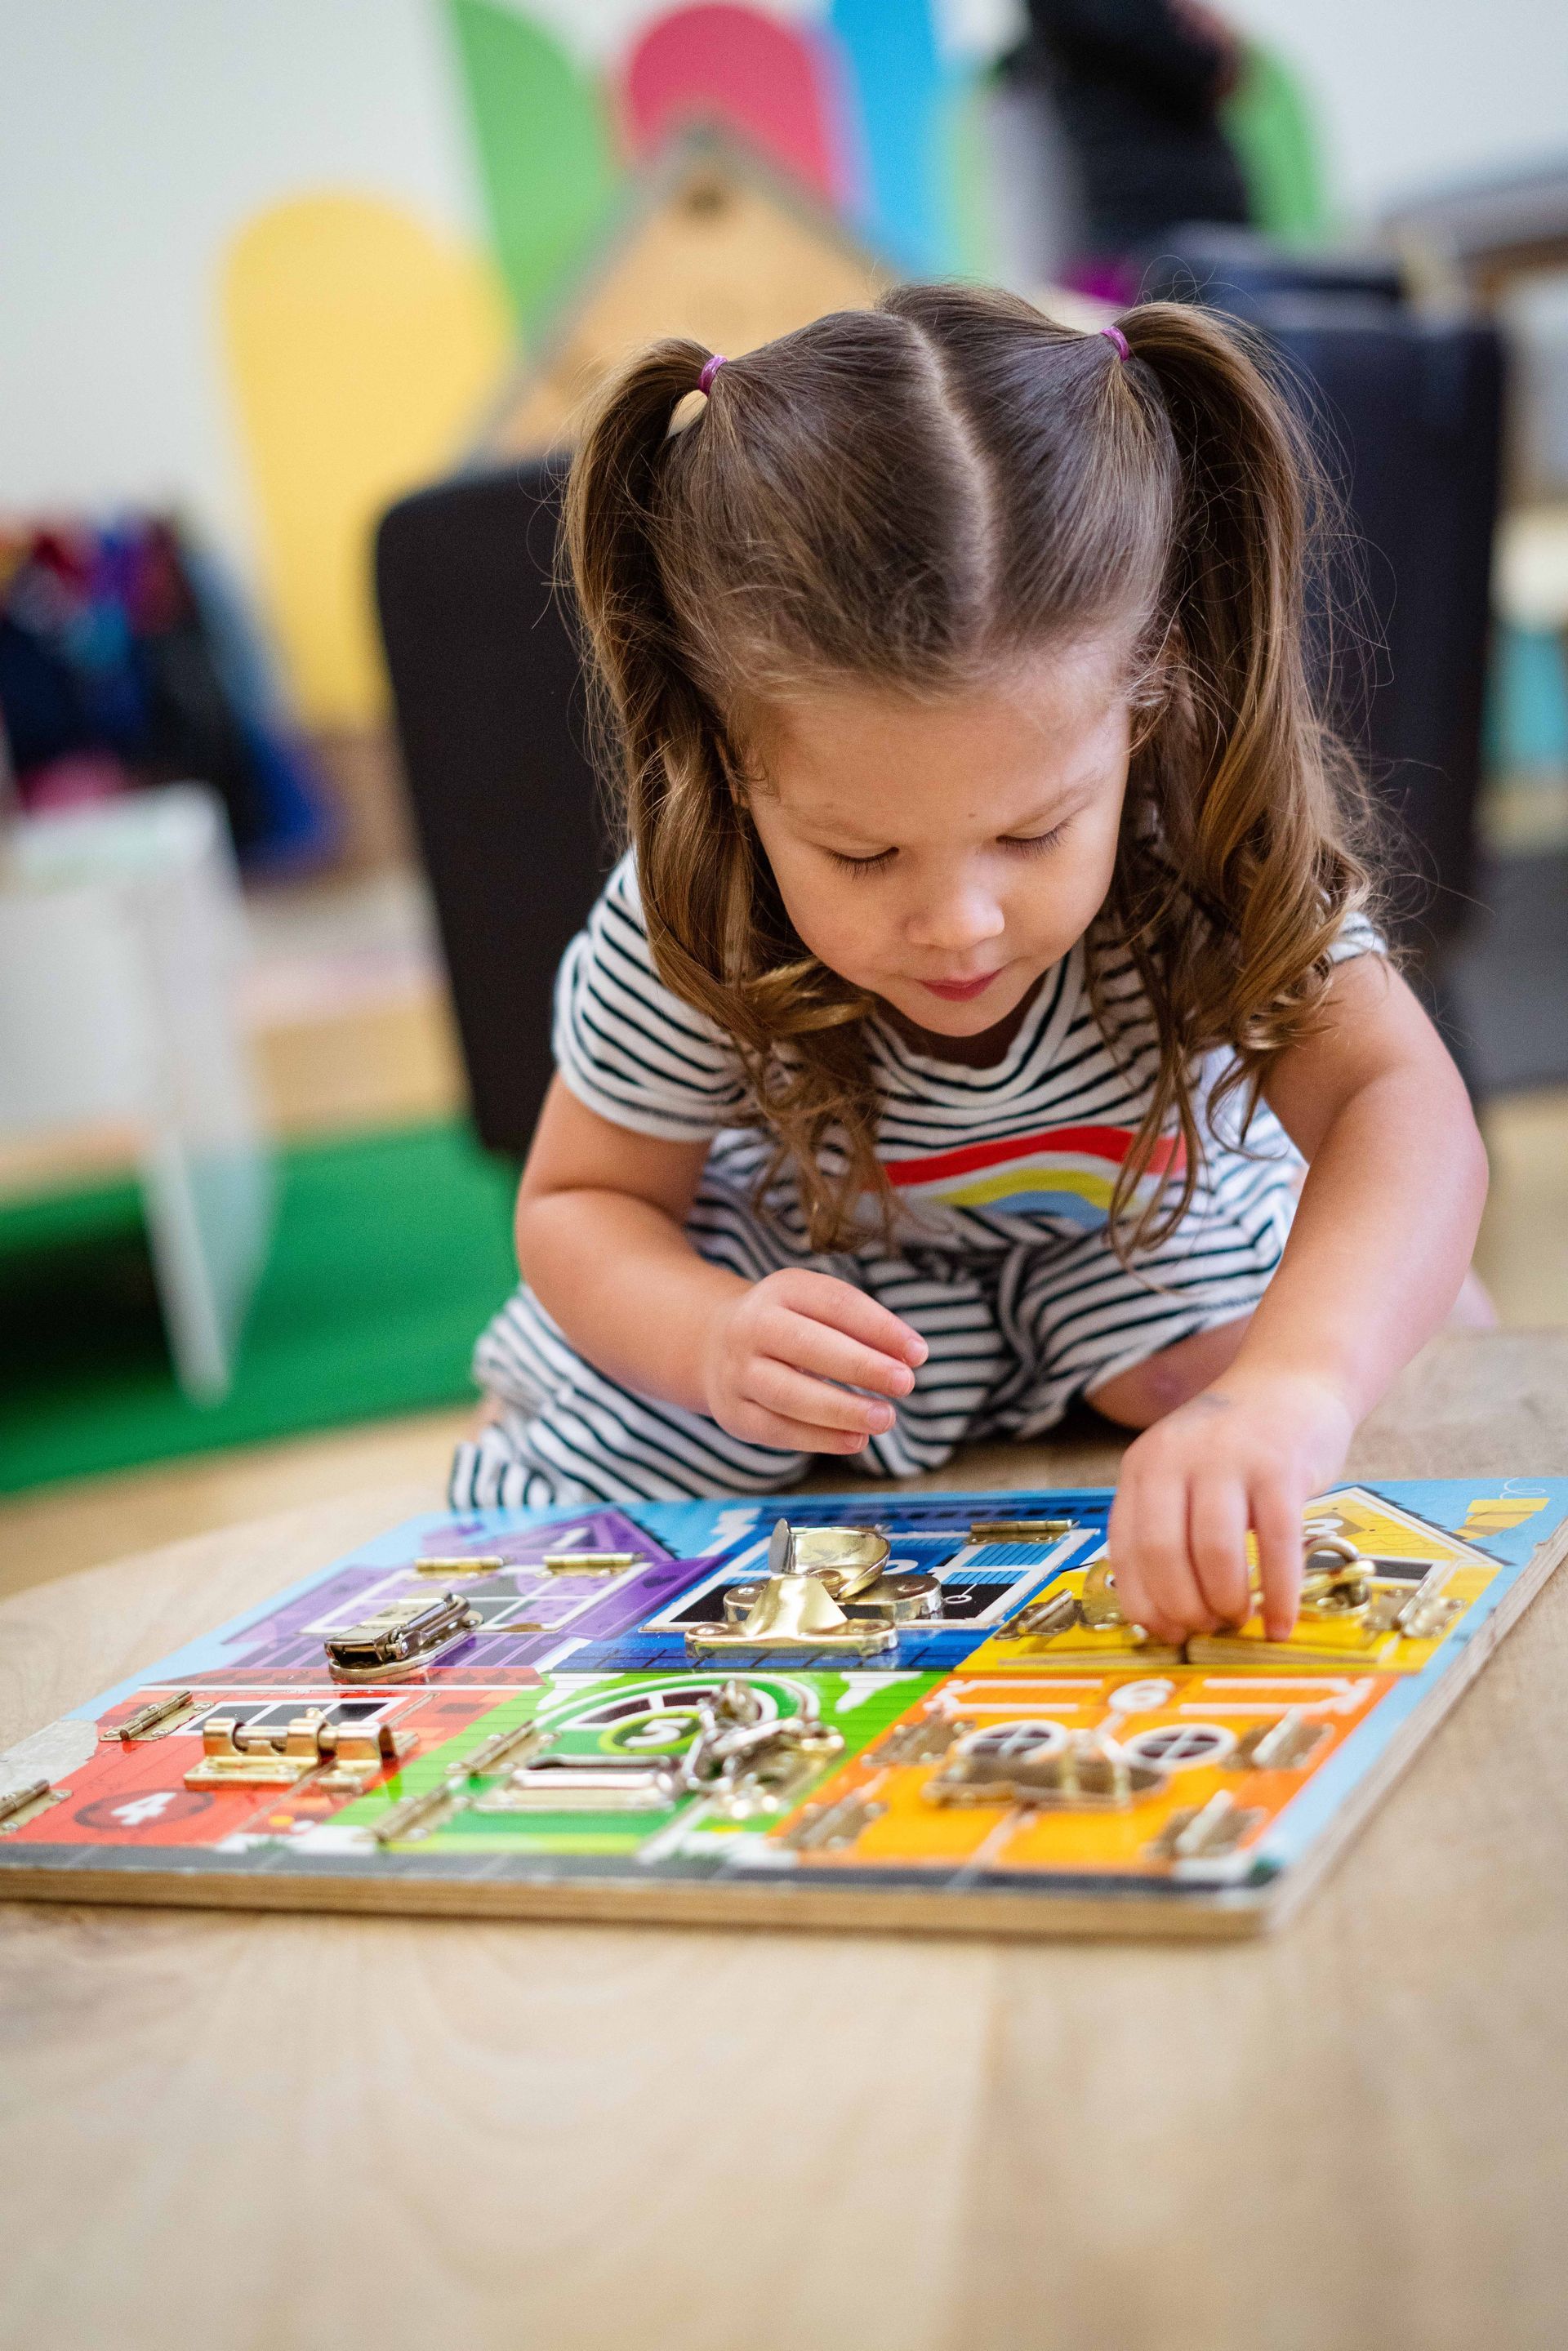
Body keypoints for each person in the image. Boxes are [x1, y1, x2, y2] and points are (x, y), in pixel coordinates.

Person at [452, 287, 1488, 1644]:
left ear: (1148, 693)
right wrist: (709, 1339)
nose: (960, 924)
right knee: (623, 1452)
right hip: (821, 1299)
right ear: (726, 758)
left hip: (1126, 1251)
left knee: (1369, 1356)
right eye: (861, 855)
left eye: (1032, 831)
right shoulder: (687, 907)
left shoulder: (1201, 837)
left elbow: (1395, 1108)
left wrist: (1292, 1387)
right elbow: (582, 1203)